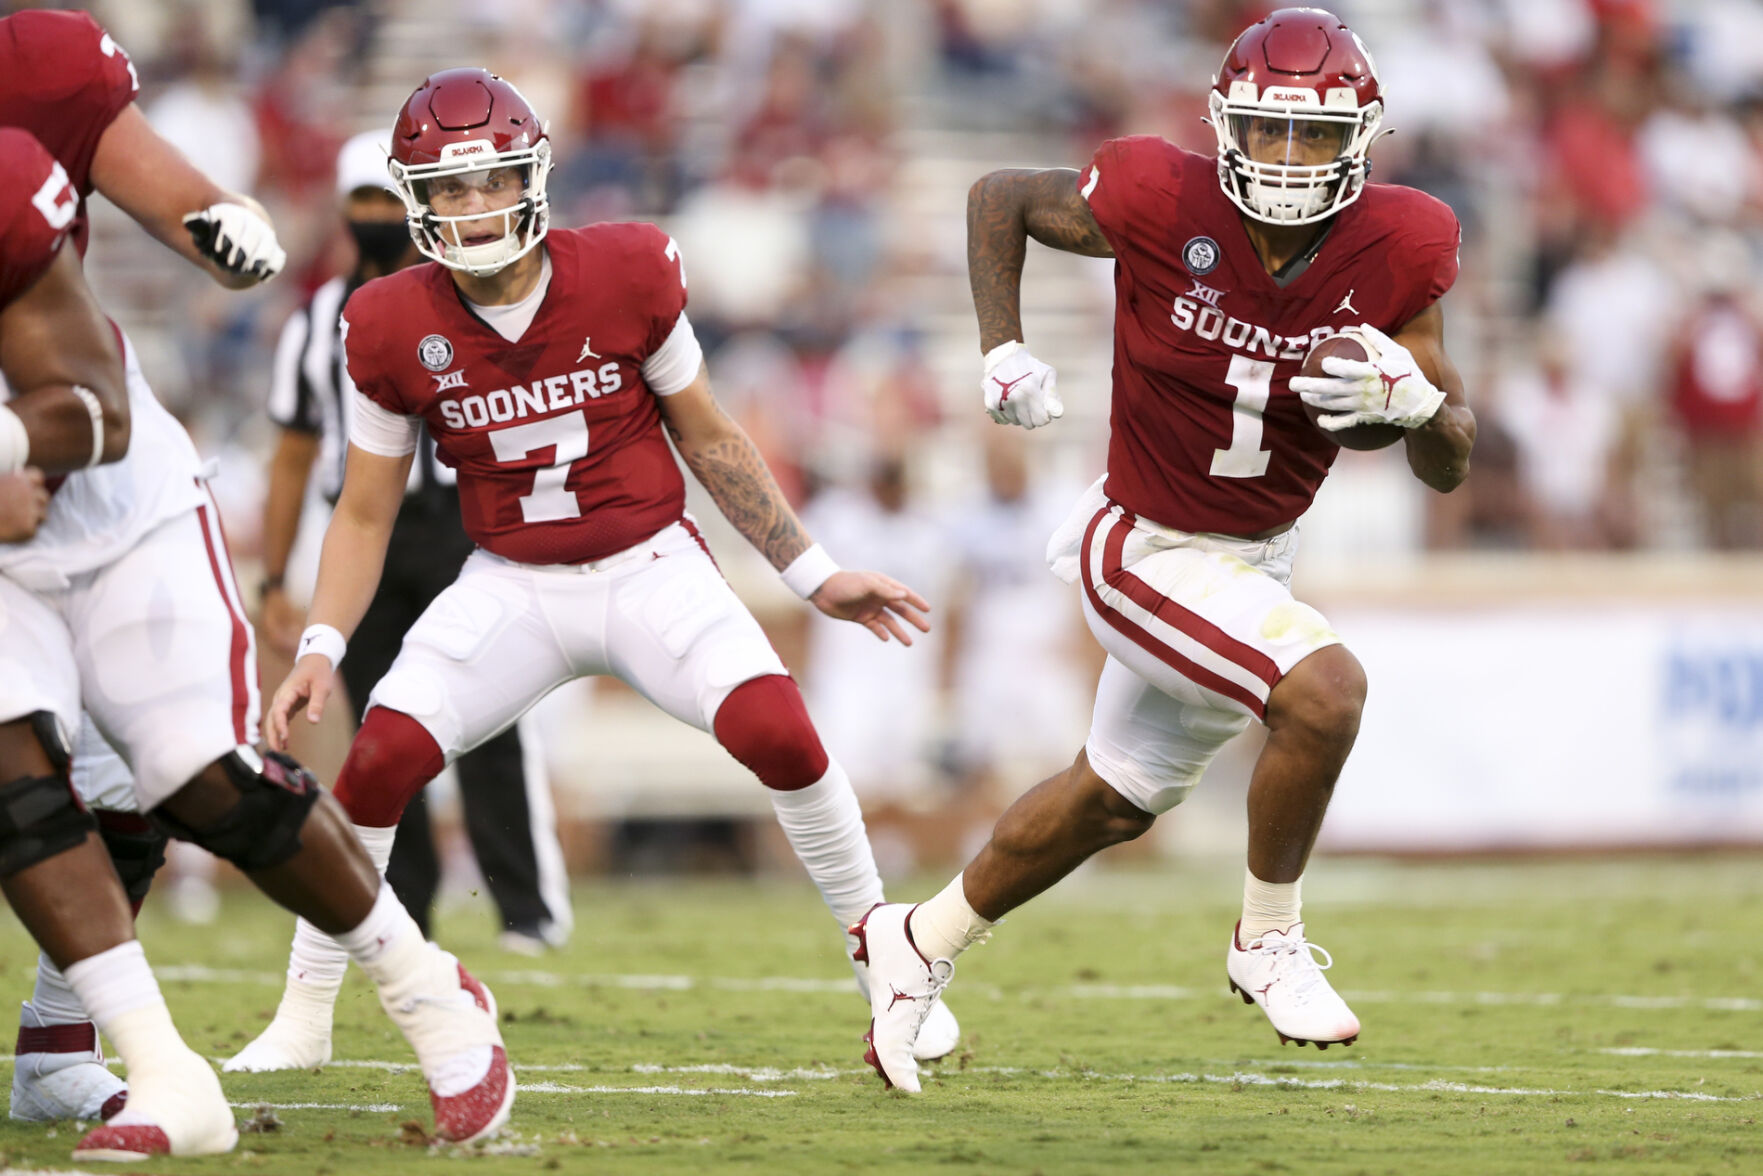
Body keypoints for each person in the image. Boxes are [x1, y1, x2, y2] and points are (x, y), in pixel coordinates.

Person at [228, 67, 960, 1075]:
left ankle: (888, 961)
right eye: (447, 188)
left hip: (646, 564)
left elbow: (707, 434)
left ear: (533, 179)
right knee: (380, 759)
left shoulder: (625, 270)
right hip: (510, 583)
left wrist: (811, 572)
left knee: (779, 733)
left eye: (490, 182)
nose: (473, 207)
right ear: (415, 201)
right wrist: (320, 643)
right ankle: (305, 1016)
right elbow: (364, 505)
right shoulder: (386, 322)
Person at [854, 7, 1477, 1092]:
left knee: (1111, 798)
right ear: (1222, 126)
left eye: (1314, 137)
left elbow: (1446, 460)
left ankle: (918, 938)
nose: (1286, 160)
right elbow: (997, 194)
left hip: (1253, 557)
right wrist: (999, 349)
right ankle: (1265, 937)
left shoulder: (1402, 242)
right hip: (1138, 543)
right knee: (1323, 691)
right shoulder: (1156, 194)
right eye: (1266, 131)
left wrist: (1417, 404)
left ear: (1362, 140)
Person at [0, 11, 513, 1153]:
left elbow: (90, 407)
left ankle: (427, 993)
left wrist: (5, 451)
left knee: (198, 777)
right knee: (18, 786)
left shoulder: (15, 147)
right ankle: (160, 1071)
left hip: (102, 494)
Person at [259, 131, 572, 951]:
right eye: (357, 203)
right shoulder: (316, 321)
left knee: (491, 715)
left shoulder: (471, 294)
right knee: (385, 727)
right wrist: (274, 576)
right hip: (368, 534)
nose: (370, 218)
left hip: (456, 527)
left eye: (381, 202)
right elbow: (293, 455)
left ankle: (525, 906)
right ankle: (405, 910)